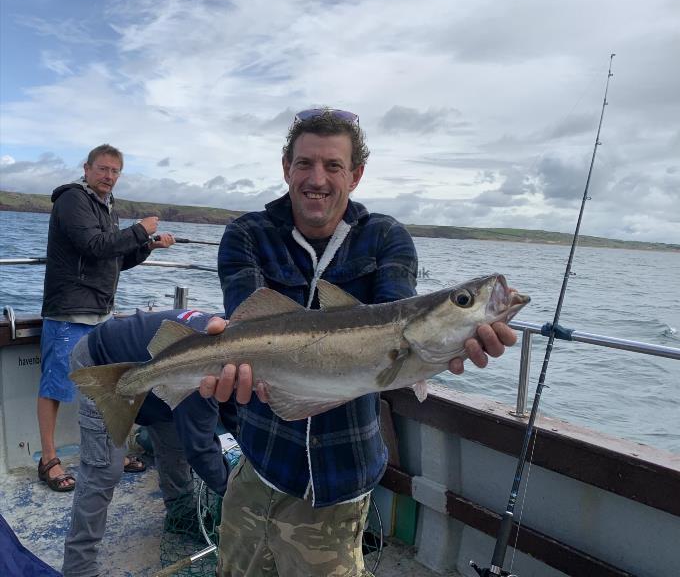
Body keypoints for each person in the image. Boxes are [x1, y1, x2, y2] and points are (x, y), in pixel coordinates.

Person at [201, 108, 517, 577]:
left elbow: (394, 320)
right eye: (305, 164)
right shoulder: (248, 234)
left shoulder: (386, 238)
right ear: (286, 167)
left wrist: (450, 344)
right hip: (259, 457)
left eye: (333, 166)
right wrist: (230, 362)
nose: (317, 179)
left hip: (340, 474)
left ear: (356, 175)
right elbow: (248, 321)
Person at [37, 144, 175, 492]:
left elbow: (113, 259)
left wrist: (146, 247)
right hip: (69, 309)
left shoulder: (107, 208)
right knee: (56, 385)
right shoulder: (72, 200)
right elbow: (94, 246)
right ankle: (48, 459)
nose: (108, 176)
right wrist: (140, 231)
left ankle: (111, 451)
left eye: (114, 171)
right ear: (86, 169)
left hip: (100, 311)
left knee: (109, 385)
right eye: (102, 169)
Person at [62, 308, 231, 577]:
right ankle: (78, 566)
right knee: (104, 469)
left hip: (157, 381)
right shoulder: (209, 366)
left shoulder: (233, 343)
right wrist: (237, 494)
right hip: (105, 365)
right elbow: (201, 450)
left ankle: (181, 514)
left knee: (175, 448)